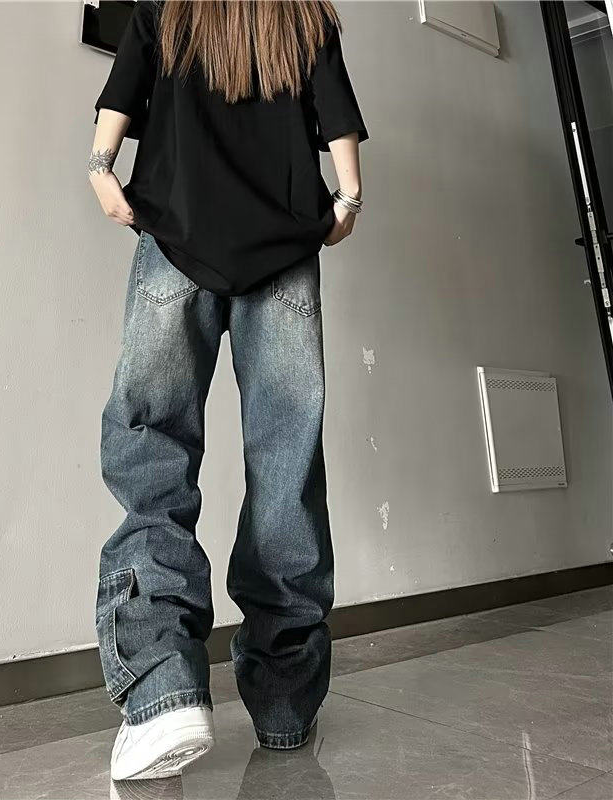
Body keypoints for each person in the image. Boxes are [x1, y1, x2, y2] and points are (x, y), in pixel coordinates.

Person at [88, 0, 367, 781]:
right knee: (286, 464)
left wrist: (102, 169)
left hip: (177, 238)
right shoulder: (303, 16)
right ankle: (285, 707)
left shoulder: (164, 9)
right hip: (283, 250)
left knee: (153, 447)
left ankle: (162, 692)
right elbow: (338, 122)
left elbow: (121, 94)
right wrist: (346, 201)